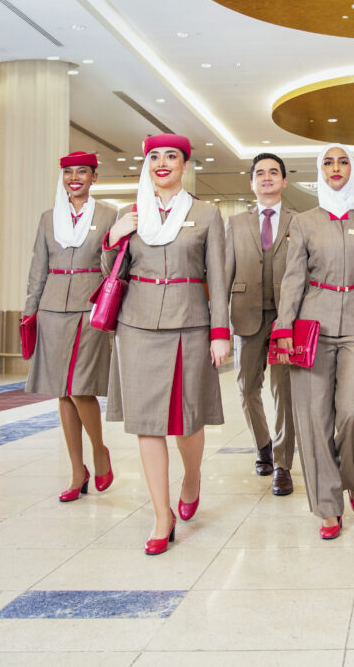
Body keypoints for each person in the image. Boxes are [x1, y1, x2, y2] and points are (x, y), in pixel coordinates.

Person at [103, 134, 230, 554]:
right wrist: (113, 238)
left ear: (184, 164)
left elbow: (218, 278)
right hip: (136, 325)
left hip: (190, 323)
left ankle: (191, 478)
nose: (161, 163)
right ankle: (162, 515)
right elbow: (111, 272)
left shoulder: (207, 214)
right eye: (154, 156)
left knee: (187, 419)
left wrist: (219, 332)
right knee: (147, 422)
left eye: (170, 156)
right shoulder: (130, 212)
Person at [273, 144, 354, 540]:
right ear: (319, 171)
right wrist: (285, 326)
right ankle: (328, 507)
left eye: (343, 161)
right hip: (312, 325)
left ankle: (353, 477)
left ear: (352, 168)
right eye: (328, 162)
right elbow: (293, 278)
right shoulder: (305, 222)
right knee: (314, 420)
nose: (336, 167)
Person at [23, 150, 116, 502]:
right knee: (62, 391)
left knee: (80, 388)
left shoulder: (109, 215)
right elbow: (38, 268)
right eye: (68, 173)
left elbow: (113, 265)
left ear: (95, 177)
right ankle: (77, 471)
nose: (74, 178)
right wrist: (29, 312)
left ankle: (99, 450)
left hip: (89, 309)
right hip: (51, 309)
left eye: (82, 172)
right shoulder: (49, 218)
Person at [226, 153, 297, 495]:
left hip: (287, 319)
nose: (267, 178)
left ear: (284, 181)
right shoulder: (236, 223)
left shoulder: (300, 222)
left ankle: (283, 464)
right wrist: (218, 328)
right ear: (252, 183)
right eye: (260, 173)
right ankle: (263, 445)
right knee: (246, 388)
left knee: (285, 392)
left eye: (273, 173)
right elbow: (224, 273)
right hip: (245, 315)